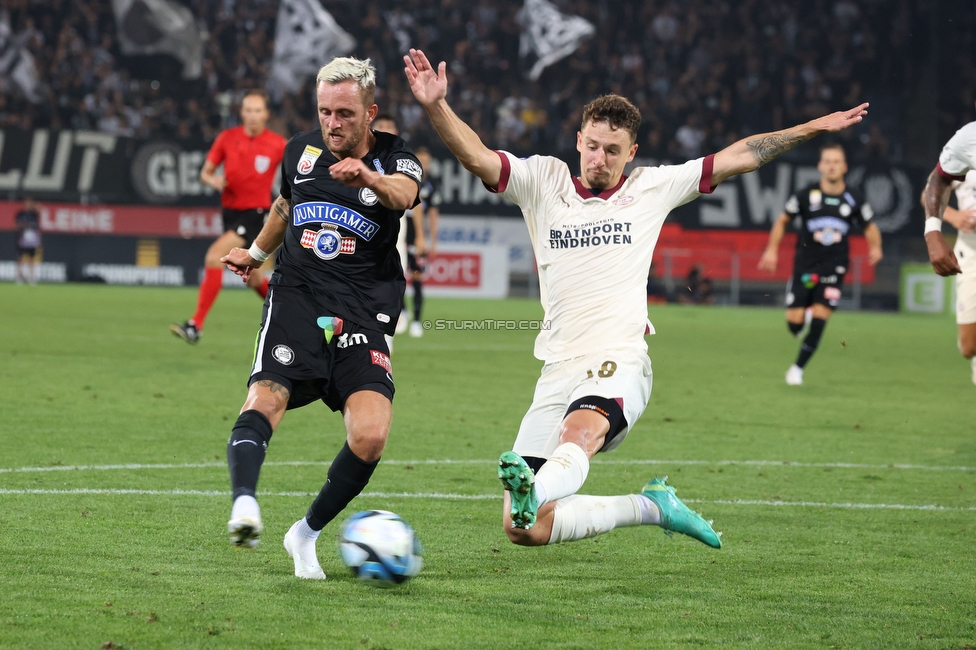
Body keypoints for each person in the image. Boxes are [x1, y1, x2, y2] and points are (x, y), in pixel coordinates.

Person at [404, 48, 868, 549]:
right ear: (578, 140)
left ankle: (534, 486)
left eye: (613, 150)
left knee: (578, 434)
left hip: (618, 358)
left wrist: (808, 130)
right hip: (557, 365)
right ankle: (651, 507)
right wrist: (435, 106)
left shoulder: (652, 188)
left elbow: (740, 155)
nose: (599, 159)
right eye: (593, 145)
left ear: (632, 152)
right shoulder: (543, 181)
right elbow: (475, 154)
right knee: (525, 529)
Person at [219, 57, 421, 580]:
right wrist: (257, 253)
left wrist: (369, 177)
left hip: (363, 310)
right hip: (298, 298)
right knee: (267, 396)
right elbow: (285, 207)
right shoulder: (300, 151)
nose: (333, 123)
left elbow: (406, 196)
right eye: (325, 112)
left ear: (370, 113)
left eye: (346, 114)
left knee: (371, 435)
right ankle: (245, 504)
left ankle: (304, 533)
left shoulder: (398, 158)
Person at [758, 143, 883, 386]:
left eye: (836, 161)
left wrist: (876, 247)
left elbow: (870, 226)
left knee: (820, 317)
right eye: (827, 161)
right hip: (805, 265)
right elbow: (782, 220)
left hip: (834, 267)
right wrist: (771, 250)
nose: (832, 165)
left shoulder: (854, 198)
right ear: (820, 166)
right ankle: (801, 316)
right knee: (794, 326)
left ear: (844, 167)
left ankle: (797, 369)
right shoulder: (806, 195)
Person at [171, 90, 287, 344]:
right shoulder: (227, 138)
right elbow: (205, 172)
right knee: (253, 277)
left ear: (266, 114)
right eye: (249, 110)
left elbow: (300, 164)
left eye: (258, 110)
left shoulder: (278, 144)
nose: (253, 115)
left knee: (214, 257)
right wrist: (214, 180)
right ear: (241, 113)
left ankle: (195, 325)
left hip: (256, 215)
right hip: (231, 214)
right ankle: (290, 315)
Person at [927, 150, 976, 383]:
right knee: (969, 348)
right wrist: (954, 216)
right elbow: (928, 192)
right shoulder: (967, 148)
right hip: (971, 255)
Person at [404, 146, 441, 337]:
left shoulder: (430, 187)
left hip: (416, 236)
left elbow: (433, 214)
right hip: (399, 233)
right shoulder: (404, 179)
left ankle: (417, 321)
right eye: (421, 160)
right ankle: (401, 311)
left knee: (417, 276)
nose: (424, 164)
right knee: (395, 274)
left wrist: (432, 241)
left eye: (427, 161)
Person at [14, 198, 42, 285]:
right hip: (23, 238)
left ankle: (31, 278)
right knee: (20, 258)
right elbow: (17, 224)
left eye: (30, 203)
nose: (28, 205)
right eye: (27, 203)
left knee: (32, 259)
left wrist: (35, 206)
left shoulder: (34, 214)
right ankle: (19, 277)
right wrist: (25, 225)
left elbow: (40, 210)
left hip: (32, 239)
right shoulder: (21, 214)